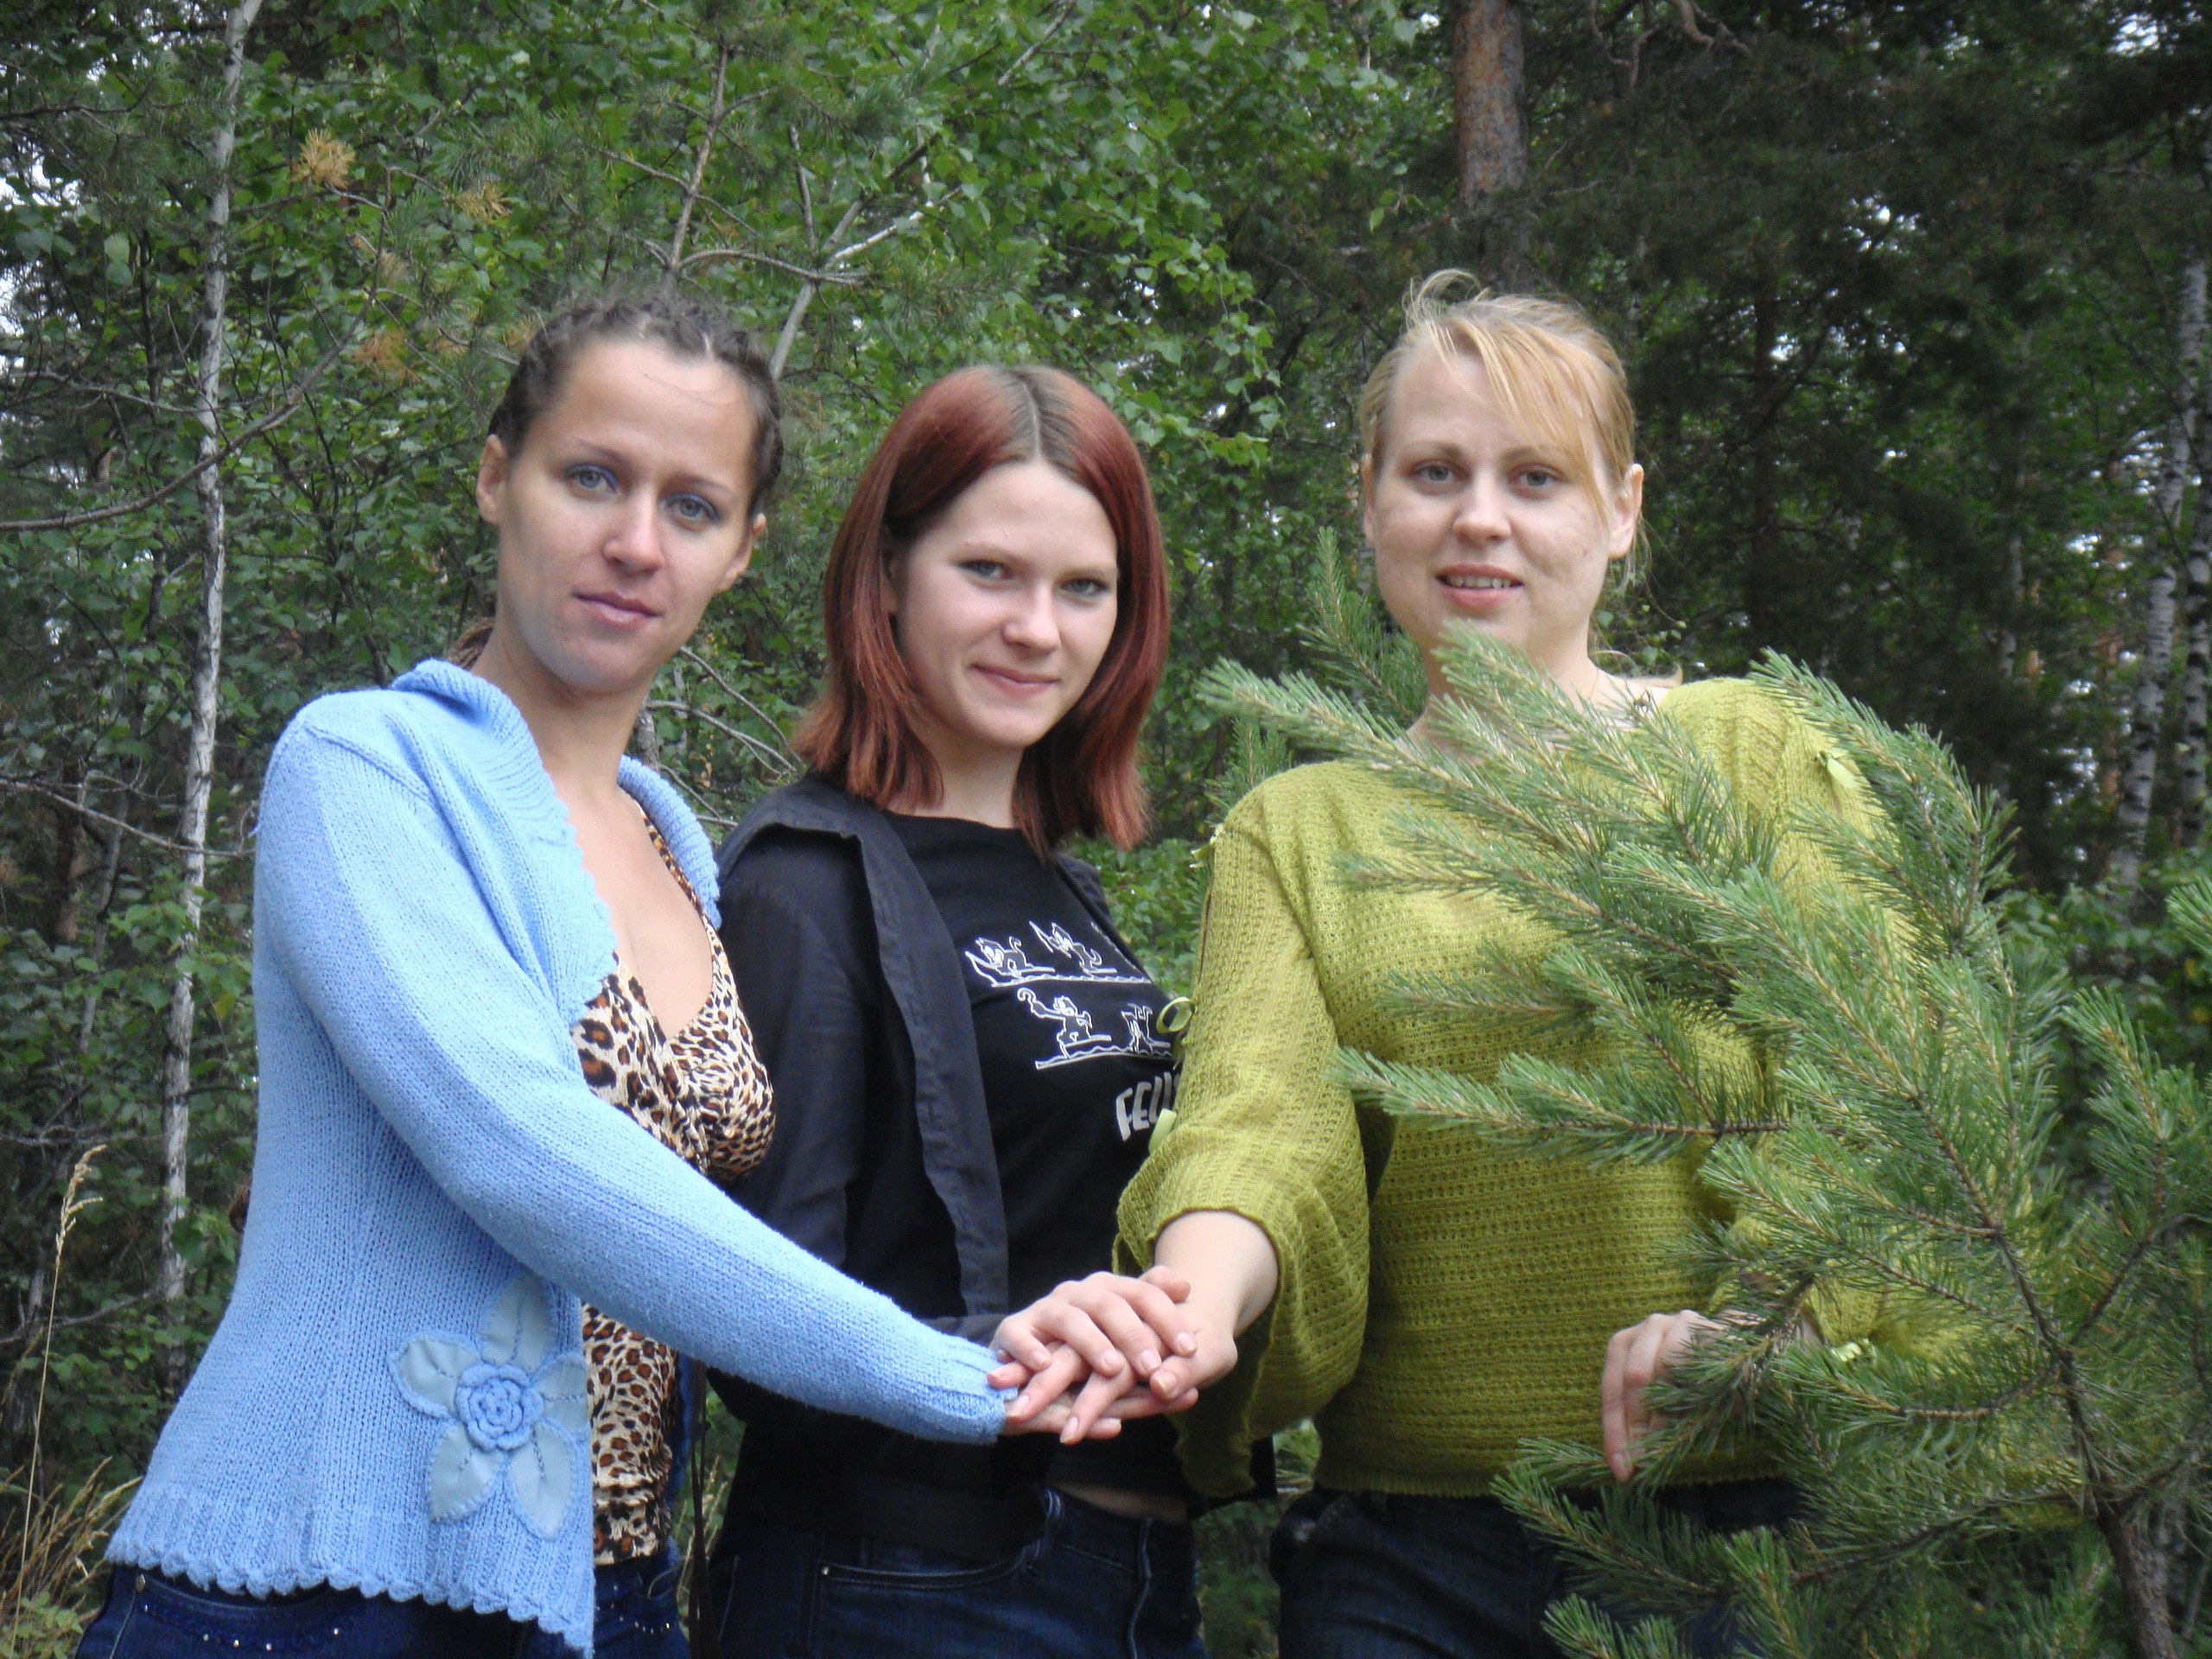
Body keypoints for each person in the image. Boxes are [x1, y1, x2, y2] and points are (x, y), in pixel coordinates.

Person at [76, 295, 1053, 1659]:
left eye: (693, 507)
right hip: (316, 1589)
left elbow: (750, 1221)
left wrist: (1058, 1323)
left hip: (610, 1595)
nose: (636, 542)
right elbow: (518, 1147)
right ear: (498, 478)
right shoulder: (366, 767)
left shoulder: (676, 843)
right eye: (591, 477)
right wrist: (949, 1378)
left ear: (742, 552)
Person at [1114, 274, 1907, 1658]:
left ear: (1622, 510)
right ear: (1371, 503)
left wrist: (1766, 1324)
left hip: (1745, 1542)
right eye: (1435, 472)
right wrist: (1189, 1299)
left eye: (1535, 477)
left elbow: (1881, 1083)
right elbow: (1258, 1129)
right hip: (1402, 1562)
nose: (1479, 516)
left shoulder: (1756, 756)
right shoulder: (1297, 830)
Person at [706, 365, 1215, 1659]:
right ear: (887, 576)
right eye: (989, 571)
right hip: (903, 1581)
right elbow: (756, 1322)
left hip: (1130, 1579)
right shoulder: (806, 882)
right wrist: (995, 1351)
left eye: (1084, 588)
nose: (1037, 628)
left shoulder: (1061, 886)